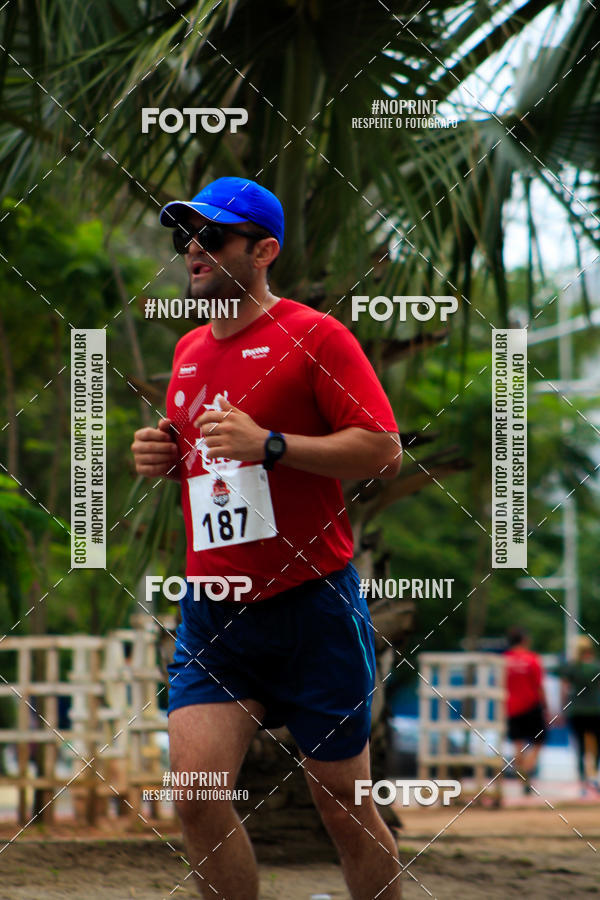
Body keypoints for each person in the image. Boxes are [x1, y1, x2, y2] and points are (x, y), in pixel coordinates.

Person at [131, 176, 403, 899]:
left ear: (263, 250)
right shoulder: (188, 351)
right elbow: (214, 467)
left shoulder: (315, 335)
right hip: (215, 612)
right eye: (185, 235)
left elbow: (382, 449)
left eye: (212, 236)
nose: (193, 248)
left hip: (312, 607)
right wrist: (166, 458)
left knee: (342, 806)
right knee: (193, 796)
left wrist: (274, 445)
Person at [552, 635, 600, 795]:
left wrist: (562, 708)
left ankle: (582, 781)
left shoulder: (572, 667)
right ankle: (594, 776)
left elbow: (562, 684)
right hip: (595, 710)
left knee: (580, 746)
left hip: (577, 711)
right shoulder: (595, 666)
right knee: (596, 746)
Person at [504, 626, 547, 793]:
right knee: (539, 741)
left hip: (511, 707)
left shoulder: (504, 659)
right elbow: (539, 685)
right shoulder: (532, 659)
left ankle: (522, 774)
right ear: (524, 640)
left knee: (517, 745)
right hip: (531, 705)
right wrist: (546, 706)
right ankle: (528, 768)